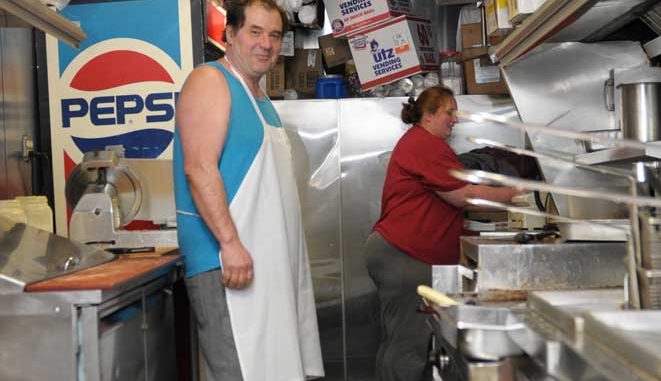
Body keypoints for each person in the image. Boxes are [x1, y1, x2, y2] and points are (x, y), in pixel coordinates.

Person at [172, 0, 324, 379]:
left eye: (274, 35)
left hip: (267, 268)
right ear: (230, 35)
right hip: (228, 266)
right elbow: (199, 168)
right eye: (254, 32)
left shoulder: (260, 98)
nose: (266, 44)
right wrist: (229, 243)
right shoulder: (210, 81)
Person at [365, 86, 521, 381]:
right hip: (405, 256)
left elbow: (444, 205)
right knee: (409, 346)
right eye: (450, 112)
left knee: (400, 342)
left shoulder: (423, 143)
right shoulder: (425, 145)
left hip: (402, 252)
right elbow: (464, 195)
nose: (455, 119)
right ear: (428, 115)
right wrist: (516, 193)